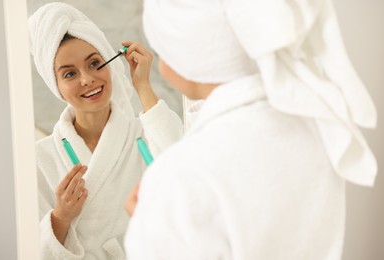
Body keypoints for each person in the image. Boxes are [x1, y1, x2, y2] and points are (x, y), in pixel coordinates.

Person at [124, 0, 378, 259]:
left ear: (184, 55)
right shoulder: (318, 124)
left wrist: (155, 230)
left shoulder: (179, 177)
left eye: (162, 47)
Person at [28, 2, 183, 259]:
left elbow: (183, 171)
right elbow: (32, 250)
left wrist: (142, 85)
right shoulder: (40, 158)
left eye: (94, 63)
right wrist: (60, 218)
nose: (87, 79)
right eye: (69, 74)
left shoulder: (145, 135)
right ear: (56, 85)